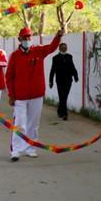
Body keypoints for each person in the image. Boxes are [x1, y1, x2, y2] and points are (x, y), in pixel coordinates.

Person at [5, 27, 63, 162]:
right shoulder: (14, 56)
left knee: (33, 123)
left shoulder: (38, 51)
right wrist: (11, 95)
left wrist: (58, 36)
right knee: (20, 123)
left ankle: (31, 148)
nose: (27, 40)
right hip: (20, 96)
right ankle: (16, 150)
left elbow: (52, 47)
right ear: (19, 39)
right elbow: (9, 77)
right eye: (24, 38)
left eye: (29, 37)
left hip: (36, 94)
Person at [48, 43, 79, 120]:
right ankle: (65, 113)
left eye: (65, 47)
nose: (64, 48)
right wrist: (50, 81)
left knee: (64, 96)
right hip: (59, 80)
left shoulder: (69, 56)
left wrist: (75, 76)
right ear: (59, 48)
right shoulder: (55, 58)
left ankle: (60, 110)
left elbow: (72, 67)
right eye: (62, 47)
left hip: (68, 80)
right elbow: (53, 70)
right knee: (62, 96)